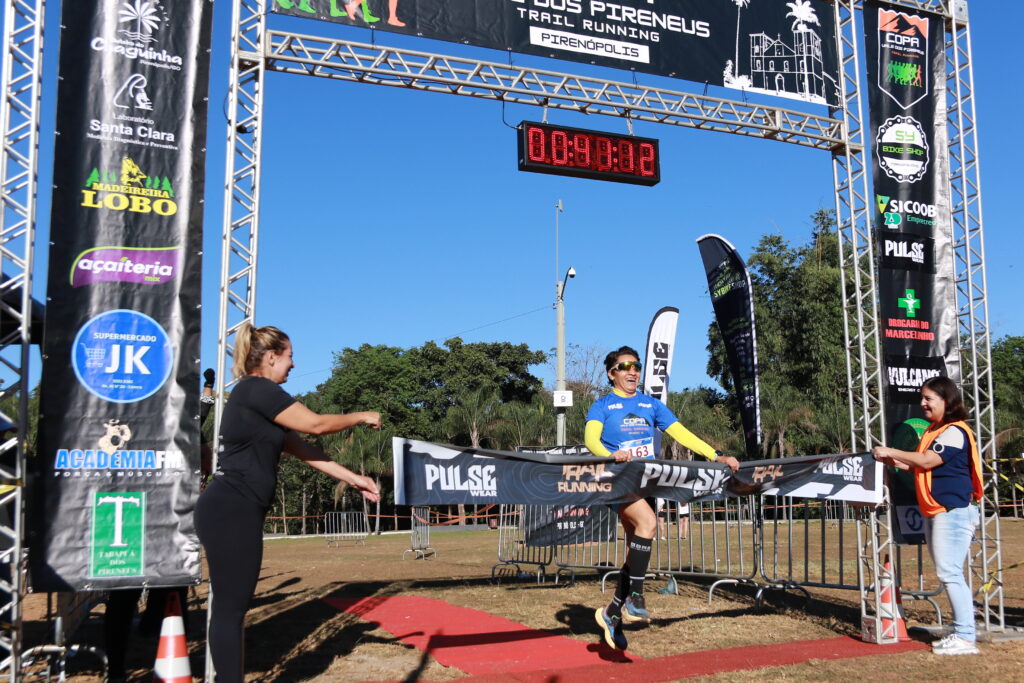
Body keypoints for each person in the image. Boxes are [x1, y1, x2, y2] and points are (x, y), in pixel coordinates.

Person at [195, 323, 381, 682]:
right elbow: (315, 425)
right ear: (270, 358)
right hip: (230, 508)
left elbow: (304, 449)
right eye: (290, 356)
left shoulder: (260, 402)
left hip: (236, 509)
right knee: (231, 610)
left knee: (233, 607)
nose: (294, 364)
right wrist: (360, 415)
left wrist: (354, 479)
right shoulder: (256, 389)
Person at [585, 346, 739, 650]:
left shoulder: (650, 404)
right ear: (611, 373)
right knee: (649, 523)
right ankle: (636, 599)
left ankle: (612, 612)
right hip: (619, 480)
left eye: (636, 367)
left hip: (647, 484)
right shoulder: (602, 405)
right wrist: (610, 454)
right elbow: (591, 439)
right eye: (625, 366)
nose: (632, 372)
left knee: (636, 549)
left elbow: (682, 433)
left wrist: (716, 455)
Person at [872, 376, 983, 656]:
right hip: (938, 511)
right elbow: (922, 467)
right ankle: (962, 631)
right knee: (949, 572)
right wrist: (894, 461)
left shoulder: (955, 431)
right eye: (922, 398)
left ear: (946, 401)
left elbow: (927, 461)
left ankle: (966, 636)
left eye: (928, 399)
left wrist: (891, 451)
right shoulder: (936, 431)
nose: (922, 403)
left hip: (953, 511)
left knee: (950, 572)